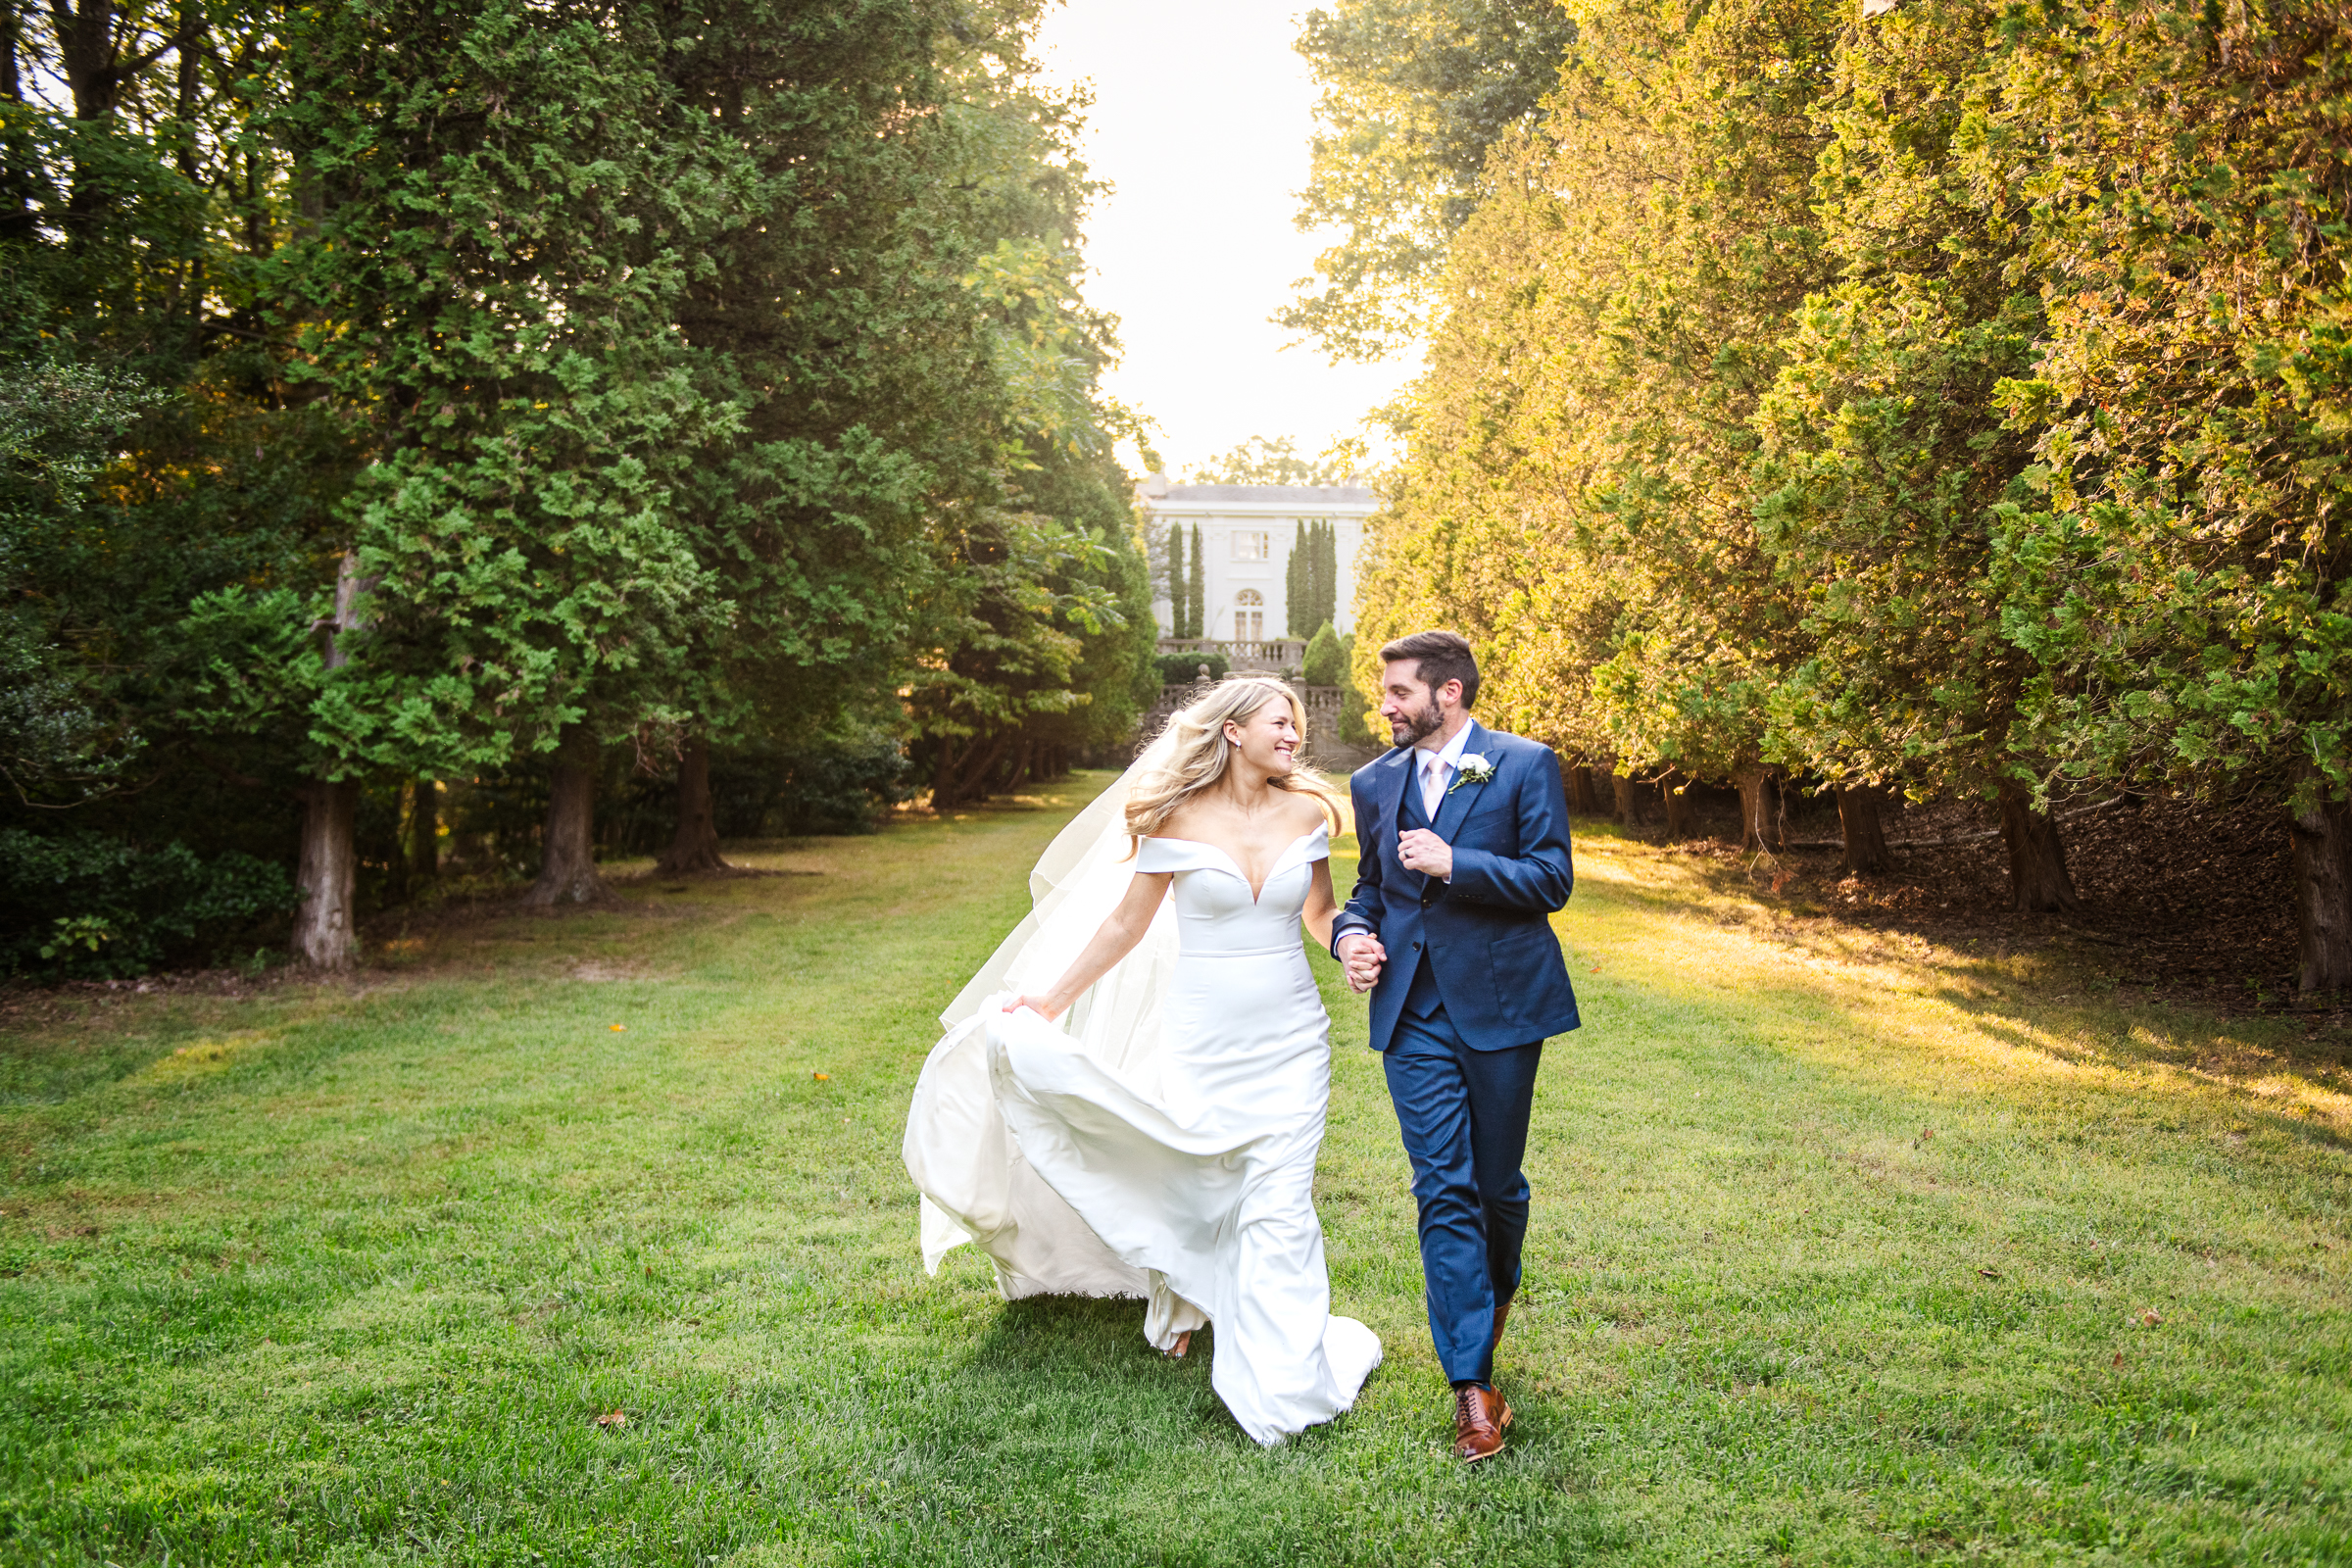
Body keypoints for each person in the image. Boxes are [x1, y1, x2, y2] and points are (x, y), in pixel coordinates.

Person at [903, 678, 1382, 1446]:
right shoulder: (1176, 817)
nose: (1295, 736)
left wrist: (1350, 945)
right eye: (1280, 722)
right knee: (1201, 1173)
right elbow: (1125, 926)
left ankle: (1288, 1374)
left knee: (1281, 1201)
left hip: (1293, 1033)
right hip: (1205, 1036)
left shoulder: (1307, 815)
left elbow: (1319, 913)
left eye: (1297, 725)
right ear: (1233, 731)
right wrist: (1048, 1001)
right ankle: (1181, 1298)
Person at [1330, 630, 1579, 1462]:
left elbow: (1551, 879)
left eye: (1399, 692)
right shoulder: (1373, 782)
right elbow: (1369, 889)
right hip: (1413, 1013)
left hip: (1503, 1006)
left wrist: (1455, 863)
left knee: (1497, 1187)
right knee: (1443, 1186)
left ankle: (1494, 1291)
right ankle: (1472, 1385)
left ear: (1449, 693)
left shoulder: (1524, 764)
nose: (1386, 707)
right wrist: (1352, 937)